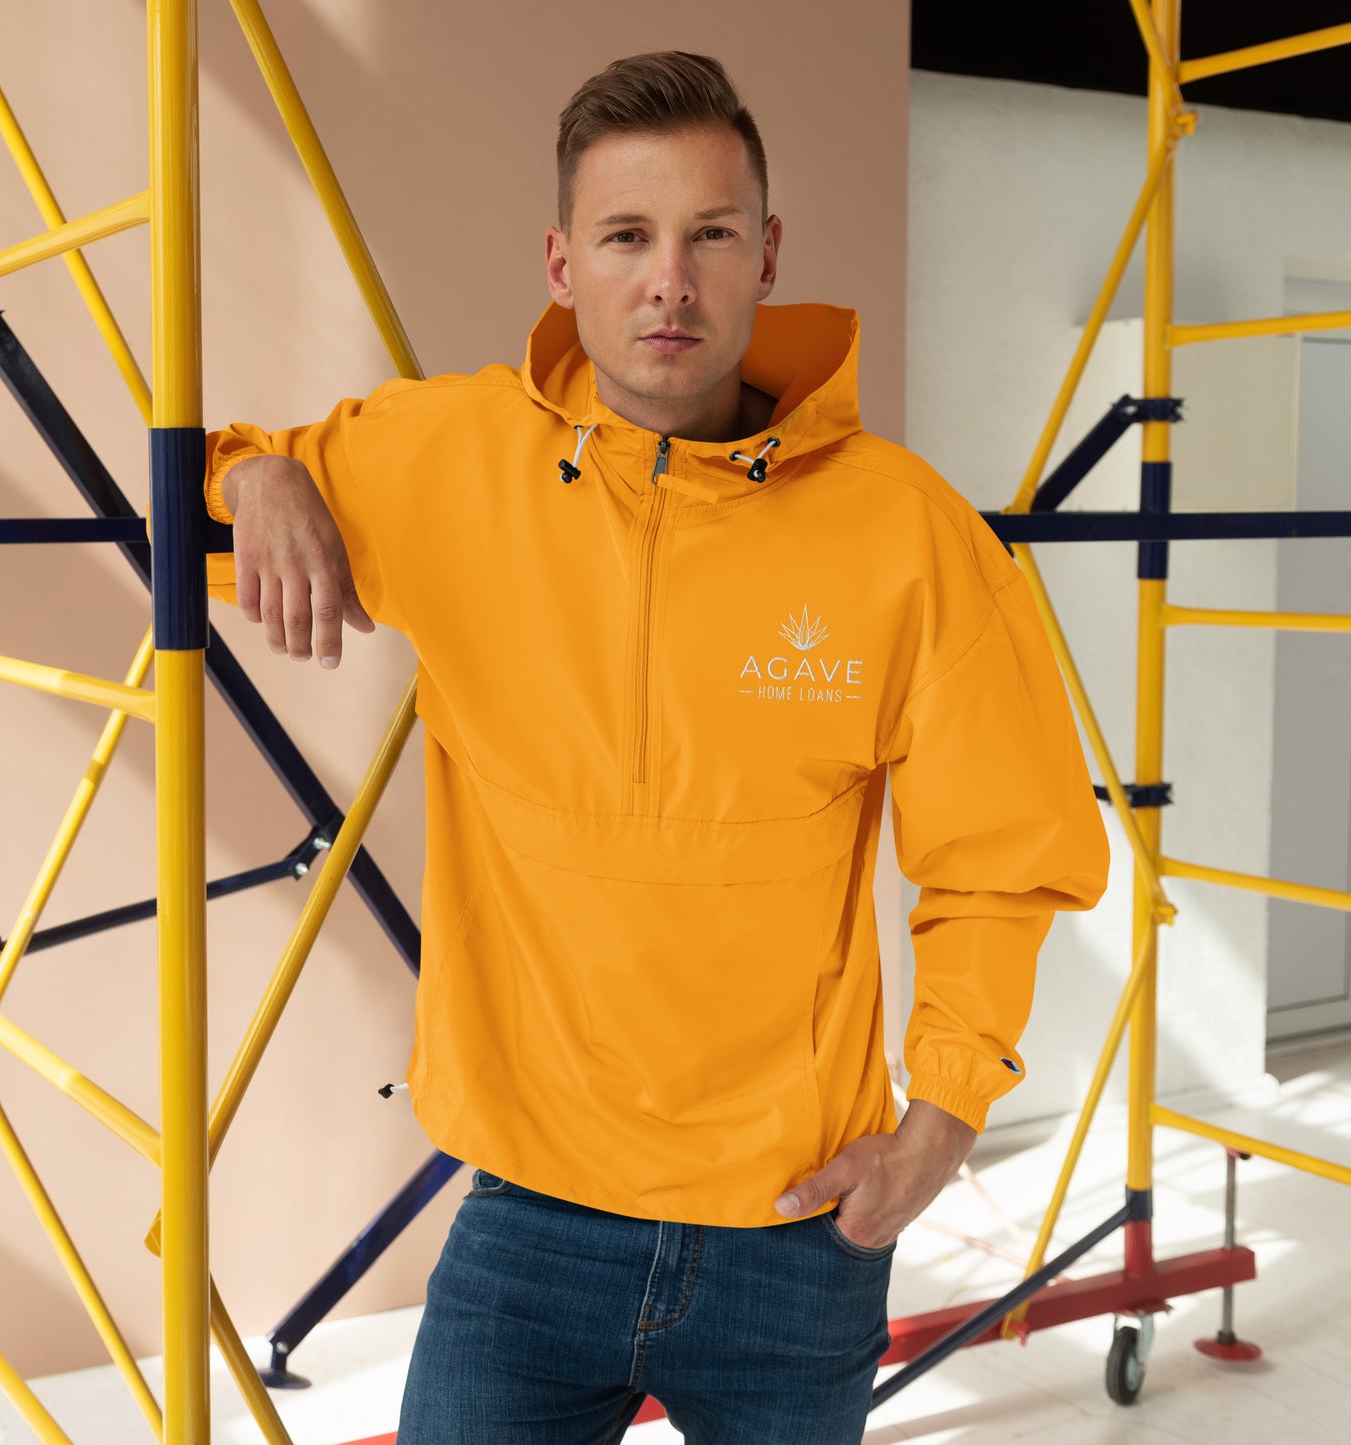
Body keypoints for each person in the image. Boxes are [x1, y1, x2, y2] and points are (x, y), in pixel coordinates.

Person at [204, 51, 1109, 1445]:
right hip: (529, 1224)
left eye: (710, 236)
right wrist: (255, 469)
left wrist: (943, 1118)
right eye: (627, 237)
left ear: (769, 256)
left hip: (794, 1232)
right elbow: (200, 495)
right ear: (562, 263)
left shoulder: (908, 535)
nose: (669, 283)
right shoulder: (447, 459)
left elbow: (1003, 852)